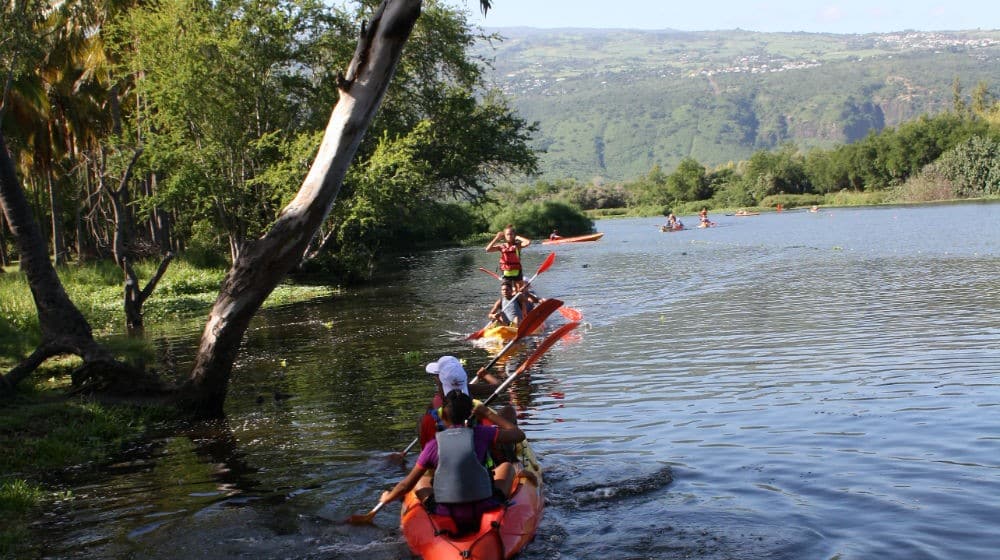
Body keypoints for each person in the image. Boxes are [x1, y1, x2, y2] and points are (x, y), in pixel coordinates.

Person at [380, 390, 526, 534]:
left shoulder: (433, 445)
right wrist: (488, 413)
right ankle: (501, 510)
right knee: (507, 467)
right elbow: (519, 435)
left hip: (446, 511)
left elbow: (406, 485)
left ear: (443, 414)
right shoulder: (482, 433)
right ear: (471, 414)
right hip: (484, 505)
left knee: (420, 482)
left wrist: (388, 497)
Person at [486, 225, 531, 289]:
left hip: (517, 271)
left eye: (511, 234)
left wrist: (518, 237)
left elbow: (528, 242)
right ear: (505, 236)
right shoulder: (501, 246)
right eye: (507, 234)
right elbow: (487, 249)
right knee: (507, 290)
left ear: (514, 235)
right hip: (506, 272)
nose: (509, 236)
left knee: (520, 291)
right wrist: (496, 238)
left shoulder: (518, 245)